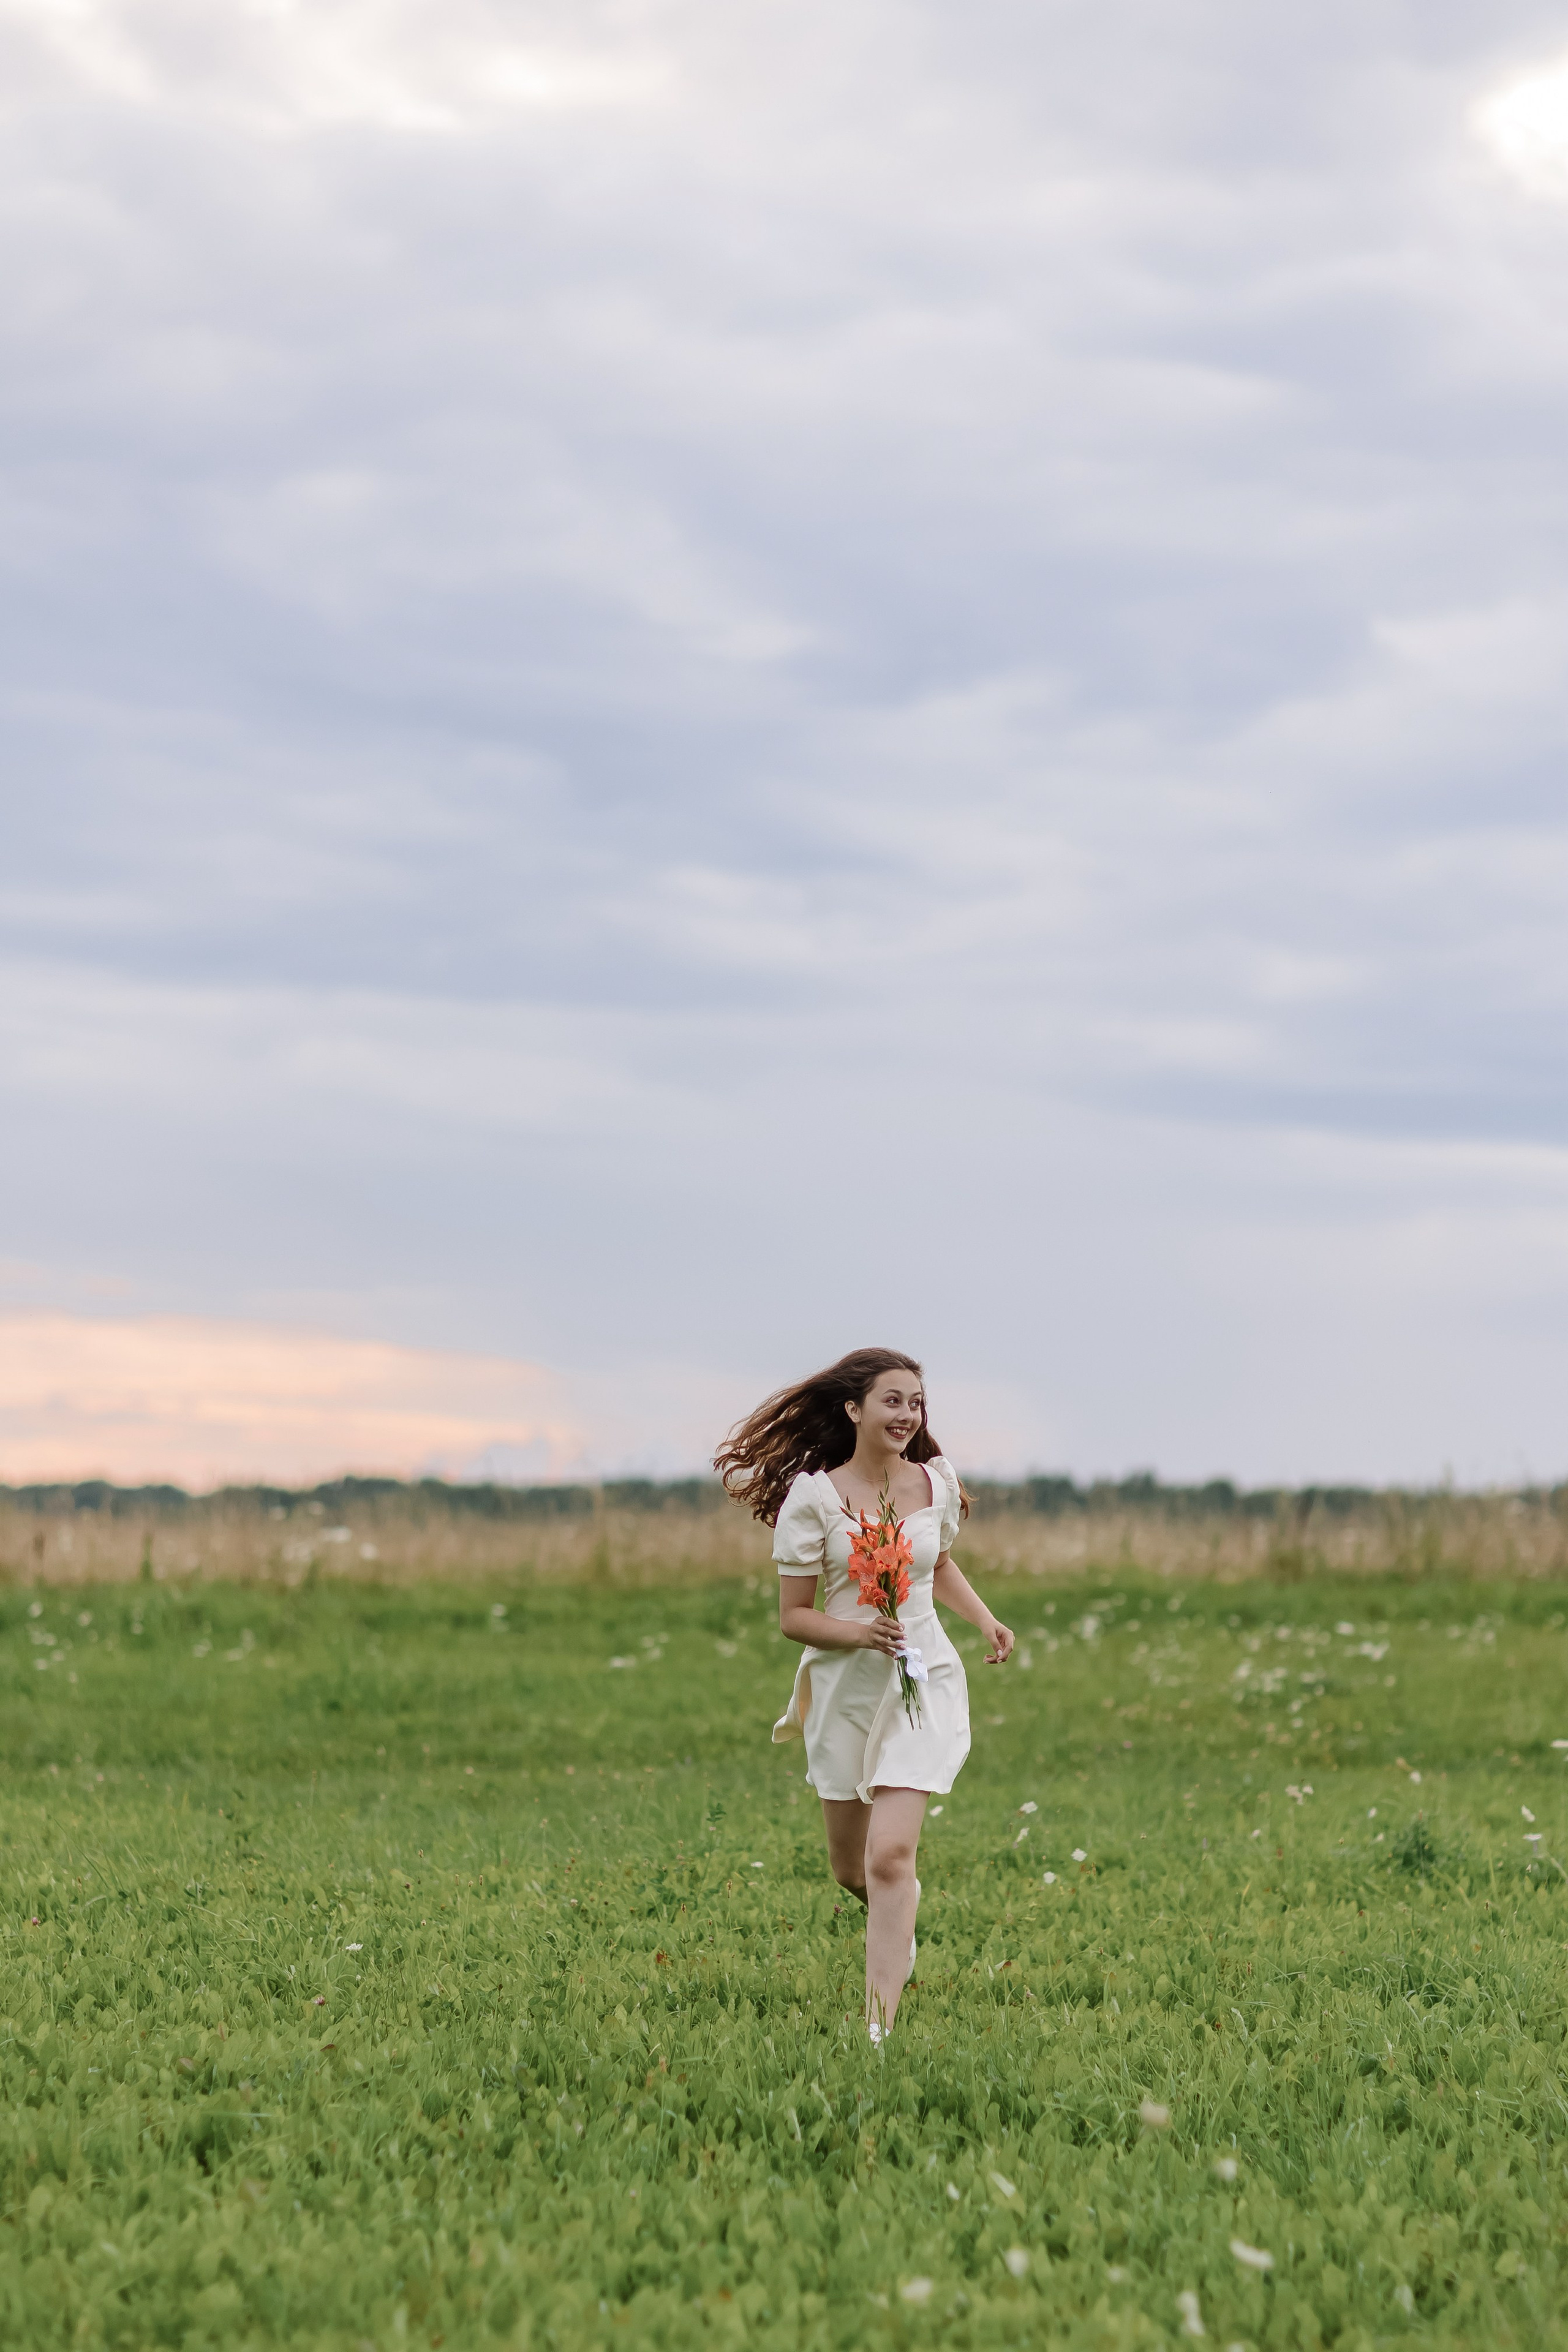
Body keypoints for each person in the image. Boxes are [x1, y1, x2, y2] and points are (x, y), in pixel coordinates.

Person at [715, 1348, 1014, 2041]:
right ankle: (894, 1919)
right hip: (847, 1687)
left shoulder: (933, 1485)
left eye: (915, 1402)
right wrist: (855, 1635)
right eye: (892, 1400)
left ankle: (878, 2027)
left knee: (889, 1857)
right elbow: (795, 1617)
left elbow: (936, 1562)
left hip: (922, 1677)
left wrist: (984, 1619)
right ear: (853, 1409)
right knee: (851, 1867)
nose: (908, 1415)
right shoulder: (815, 1498)